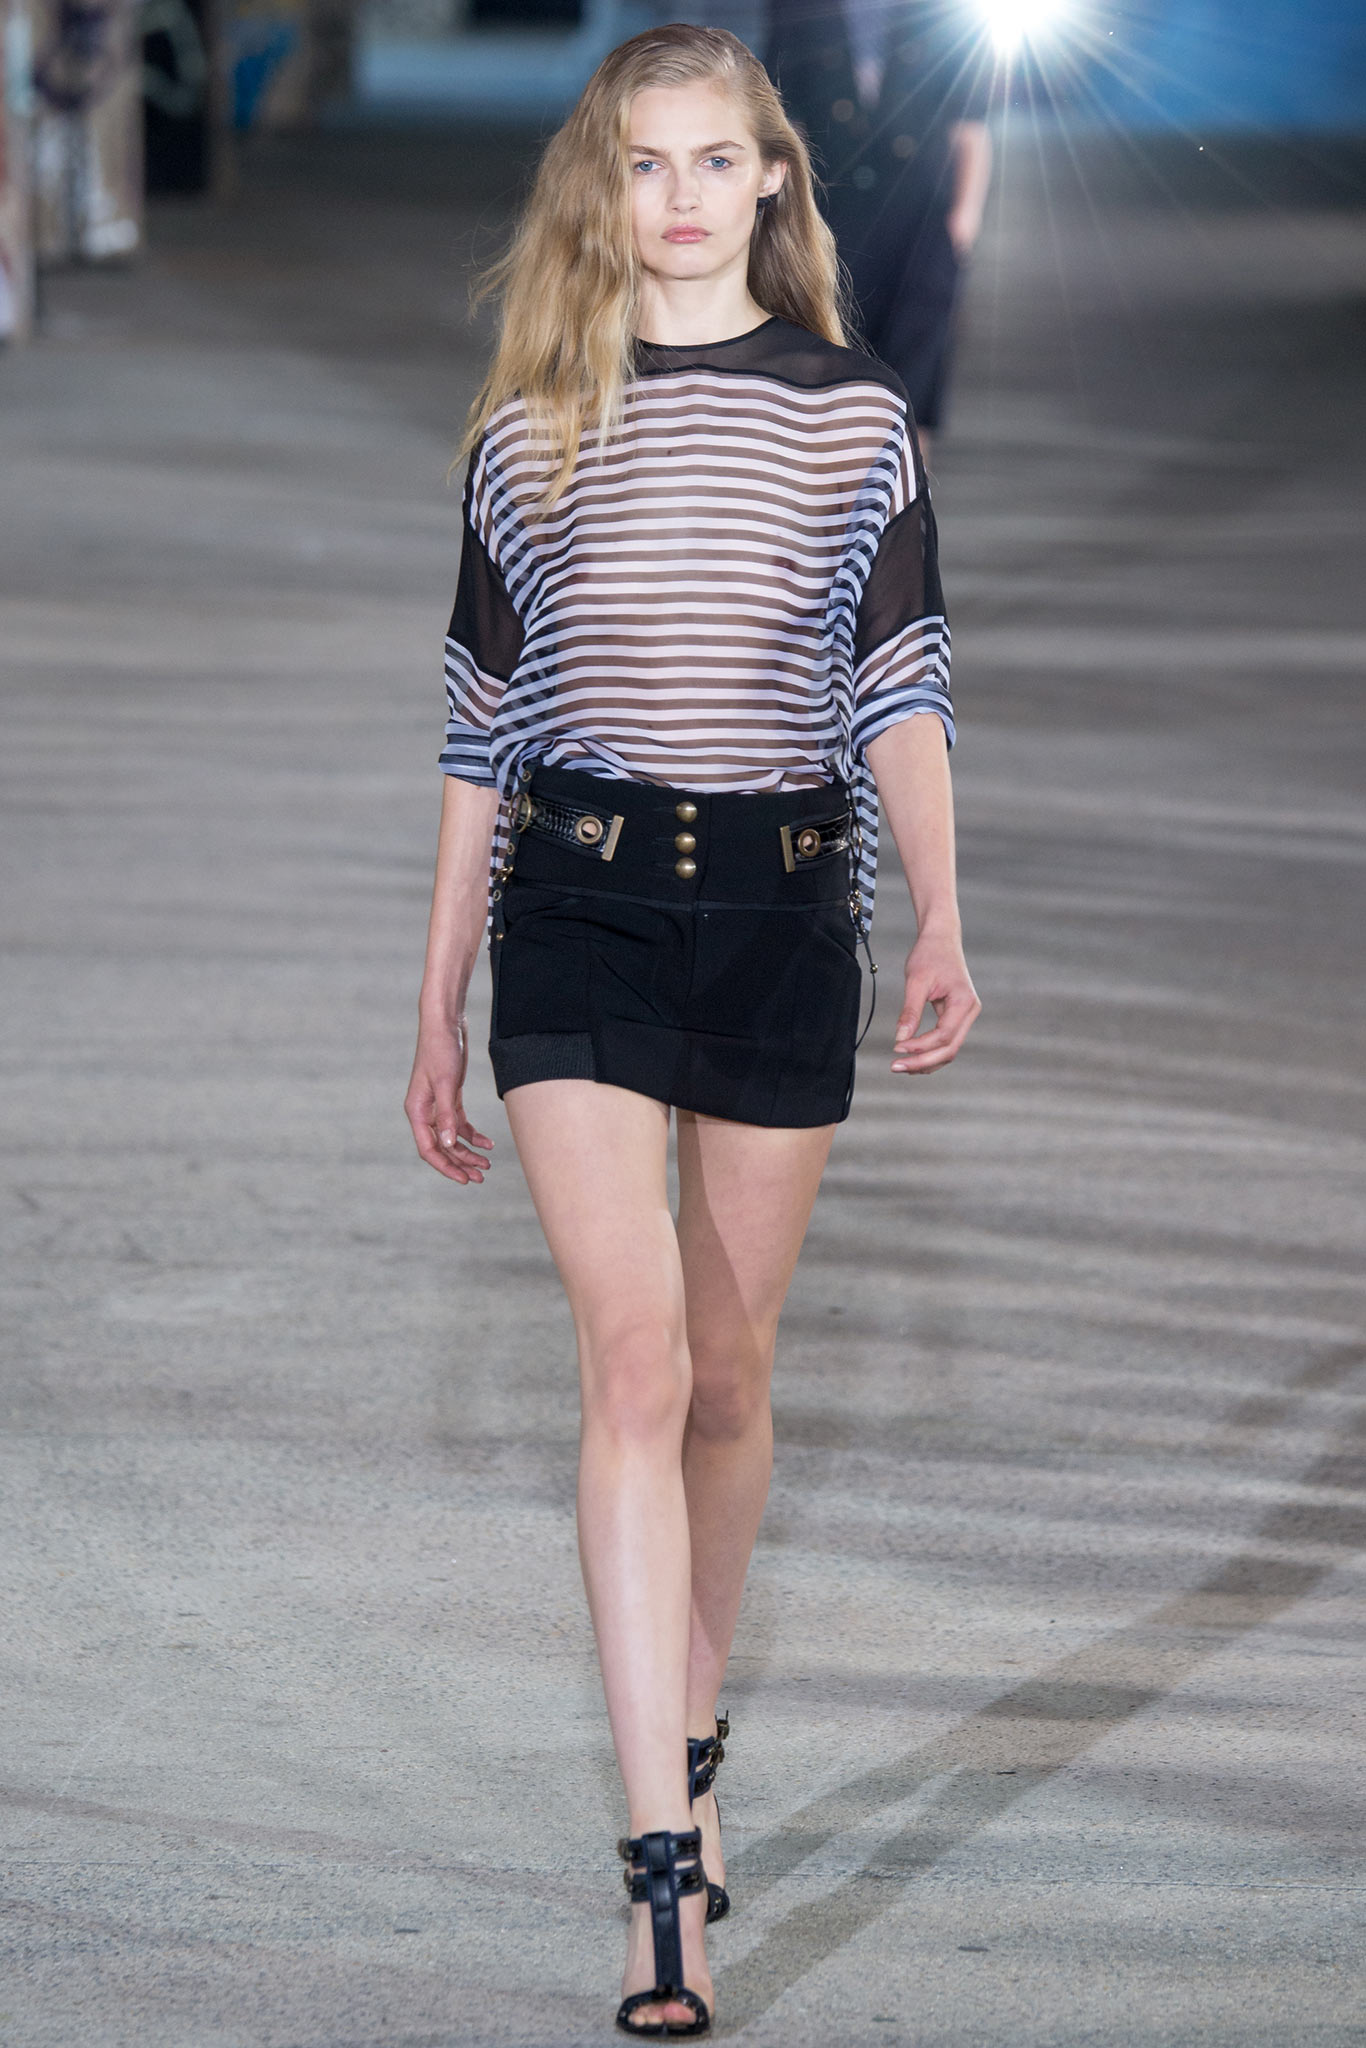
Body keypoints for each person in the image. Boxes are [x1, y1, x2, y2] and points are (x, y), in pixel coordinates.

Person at [404, 22, 979, 2034]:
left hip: (781, 909)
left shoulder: (852, 419)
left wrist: (942, 907)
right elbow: (478, 726)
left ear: (769, 179)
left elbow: (897, 677)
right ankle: (662, 1878)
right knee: (634, 1360)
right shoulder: (529, 424)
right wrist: (434, 992)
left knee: (727, 1378)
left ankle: (693, 1732)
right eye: (642, 162)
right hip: (573, 906)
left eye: (710, 160)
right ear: (606, 184)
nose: (676, 196)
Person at [765, 0, 994, 465]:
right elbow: (781, 120)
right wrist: (782, 215)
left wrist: (964, 220)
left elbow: (970, 126)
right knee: (831, 362)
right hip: (829, 214)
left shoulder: (942, 12)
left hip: (923, 217)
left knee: (915, 369)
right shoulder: (796, 8)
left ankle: (906, 496)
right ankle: (833, 494)